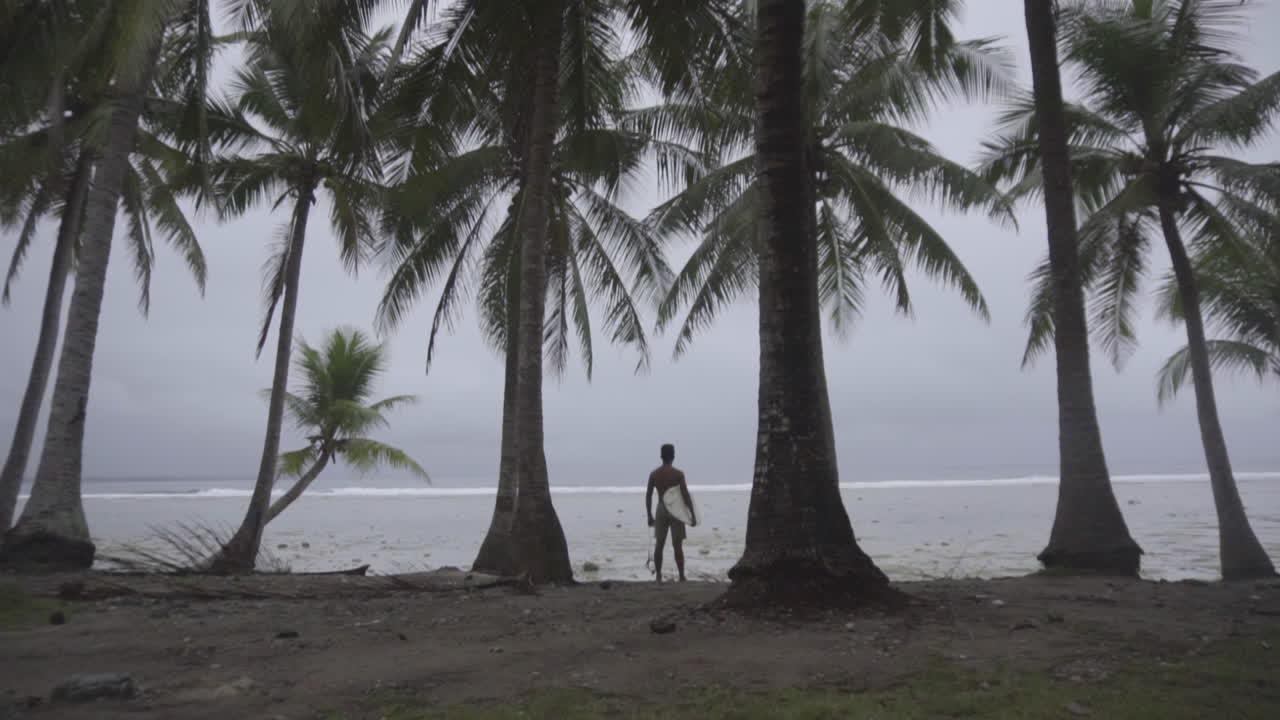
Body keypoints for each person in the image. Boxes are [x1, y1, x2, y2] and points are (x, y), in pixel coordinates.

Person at [646, 443, 695, 582]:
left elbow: (648, 495)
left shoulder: (654, 474)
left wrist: (649, 515)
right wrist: (692, 515)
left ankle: (658, 576)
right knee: (677, 545)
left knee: (659, 544)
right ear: (673, 456)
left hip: (661, 508)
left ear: (661, 456)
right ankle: (681, 576)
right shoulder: (678, 474)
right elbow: (685, 495)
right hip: (676, 510)